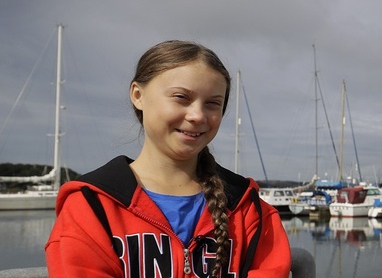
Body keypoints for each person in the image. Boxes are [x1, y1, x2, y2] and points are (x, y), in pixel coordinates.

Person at [45, 40, 291, 277]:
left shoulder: (248, 210)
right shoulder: (91, 206)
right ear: (138, 95)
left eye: (212, 103)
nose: (197, 115)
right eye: (181, 97)